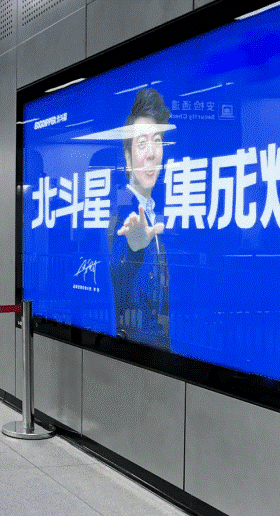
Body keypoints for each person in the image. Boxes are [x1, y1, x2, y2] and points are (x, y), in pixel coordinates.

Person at [109, 88, 171, 351]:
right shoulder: (120, 213)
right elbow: (117, 261)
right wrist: (133, 246)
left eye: (157, 141)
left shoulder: (154, 211)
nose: (151, 153)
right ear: (127, 159)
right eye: (142, 143)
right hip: (131, 349)